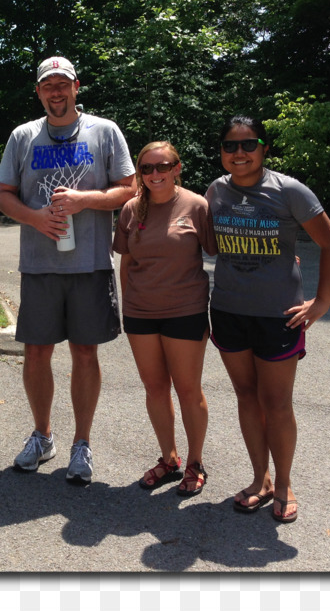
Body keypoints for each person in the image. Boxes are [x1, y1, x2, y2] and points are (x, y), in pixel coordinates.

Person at [0, 56, 136, 484]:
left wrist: (84, 200)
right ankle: (43, 435)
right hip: (39, 265)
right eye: (47, 86)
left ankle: (82, 444)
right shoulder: (23, 136)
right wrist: (36, 218)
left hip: (89, 262)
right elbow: (3, 195)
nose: (56, 92)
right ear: (38, 92)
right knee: (36, 353)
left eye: (63, 84)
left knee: (85, 353)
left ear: (77, 86)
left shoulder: (104, 131)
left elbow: (130, 189)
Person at [205, 115, 330, 523]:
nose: (240, 152)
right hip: (229, 309)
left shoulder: (289, 191)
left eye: (249, 144)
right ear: (222, 152)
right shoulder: (215, 191)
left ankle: (283, 484)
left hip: (278, 315)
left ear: (264, 148)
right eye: (231, 146)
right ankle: (260, 479)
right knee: (247, 397)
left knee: (277, 403)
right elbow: (207, 243)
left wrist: (321, 302)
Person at [112, 141, 217, 497]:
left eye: (162, 166)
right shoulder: (130, 209)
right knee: (155, 389)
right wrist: (128, 305)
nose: (154, 174)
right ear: (139, 173)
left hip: (185, 311)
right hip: (141, 314)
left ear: (177, 168)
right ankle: (169, 459)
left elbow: (222, 252)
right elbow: (126, 262)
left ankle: (195, 462)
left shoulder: (197, 205)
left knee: (188, 390)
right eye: (146, 168)